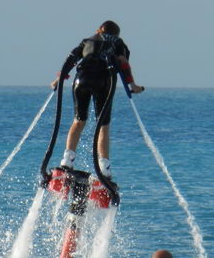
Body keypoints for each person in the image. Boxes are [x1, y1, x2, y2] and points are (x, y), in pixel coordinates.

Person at [50, 20, 144, 178]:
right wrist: (133, 85)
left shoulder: (87, 41)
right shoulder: (118, 42)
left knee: (78, 121)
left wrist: (57, 81)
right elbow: (123, 62)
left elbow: (70, 61)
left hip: (81, 80)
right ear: (116, 34)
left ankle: (66, 161)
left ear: (99, 30)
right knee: (103, 126)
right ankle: (104, 168)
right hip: (103, 82)